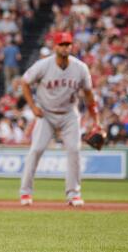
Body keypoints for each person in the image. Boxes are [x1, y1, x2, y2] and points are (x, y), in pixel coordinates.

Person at [18, 31, 100, 207]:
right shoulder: (43, 65)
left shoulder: (80, 68)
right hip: (46, 113)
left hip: (69, 114)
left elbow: (89, 95)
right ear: (55, 47)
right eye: (62, 44)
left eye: (68, 44)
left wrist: (96, 121)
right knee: (36, 150)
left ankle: (73, 194)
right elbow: (24, 82)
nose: (65, 47)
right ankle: (25, 193)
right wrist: (33, 107)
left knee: (74, 150)